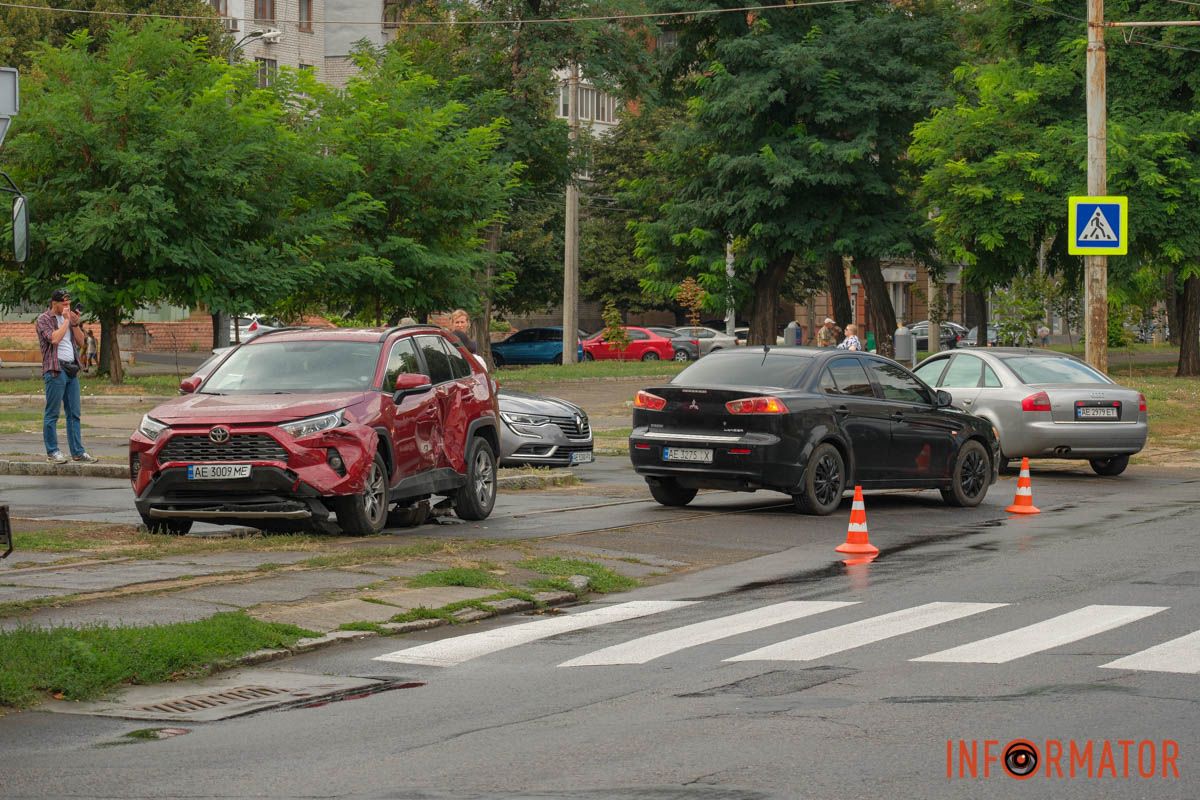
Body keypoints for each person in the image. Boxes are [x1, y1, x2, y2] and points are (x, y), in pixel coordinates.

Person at [35, 289, 97, 464]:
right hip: (55, 370)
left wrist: (75, 324)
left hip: (71, 369)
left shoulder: (69, 319)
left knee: (74, 414)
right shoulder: (44, 319)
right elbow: (54, 338)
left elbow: (81, 342)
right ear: (54, 303)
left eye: (69, 304)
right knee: (52, 413)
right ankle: (53, 451)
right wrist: (66, 322)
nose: (67, 307)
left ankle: (78, 452)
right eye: (64, 304)